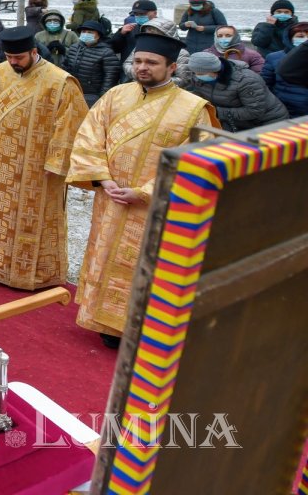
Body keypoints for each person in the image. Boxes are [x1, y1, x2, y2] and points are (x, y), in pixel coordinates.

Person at [67, 34, 217, 347]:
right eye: (137, 61)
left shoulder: (193, 109)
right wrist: (102, 178)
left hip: (155, 206)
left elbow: (197, 160)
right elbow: (89, 137)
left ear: (172, 67)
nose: (142, 68)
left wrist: (146, 191)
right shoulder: (116, 95)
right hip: (110, 198)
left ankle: (138, 327)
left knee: (143, 266)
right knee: (104, 254)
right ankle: (102, 321)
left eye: (151, 62)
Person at [0, 26, 89, 290]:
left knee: (38, 218)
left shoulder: (61, 82)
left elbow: (72, 125)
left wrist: (57, 163)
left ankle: (33, 275)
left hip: (40, 168)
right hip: (5, 161)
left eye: (18, 58)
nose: (13, 62)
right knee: (2, 212)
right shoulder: (0, 71)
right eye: (9, 57)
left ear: (34, 51)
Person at [185, 53, 287, 131]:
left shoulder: (246, 80)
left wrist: (215, 111)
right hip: (234, 122)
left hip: (267, 121)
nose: (197, 76)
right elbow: (197, 92)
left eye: (201, 73)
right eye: (195, 73)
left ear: (215, 70)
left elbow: (254, 111)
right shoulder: (199, 77)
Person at [119, 18, 194, 89]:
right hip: (139, 88)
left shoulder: (181, 53)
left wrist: (156, 80)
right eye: (148, 34)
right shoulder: (140, 47)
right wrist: (140, 74)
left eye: (154, 35)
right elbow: (127, 63)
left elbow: (184, 80)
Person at [63, 22, 121, 107]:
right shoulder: (74, 48)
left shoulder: (106, 52)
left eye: (90, 32)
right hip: (72, 91)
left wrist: (102, 97)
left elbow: (110, 77)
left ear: (99, 35)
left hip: (93, 95)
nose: (86, 34)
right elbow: (65, 67)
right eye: (83, 32)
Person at [261, 21, 308, 117]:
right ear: (290, 38)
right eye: (300, 36)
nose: (305, 40)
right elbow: (265, 85)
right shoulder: (274, 57)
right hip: (285, 109)